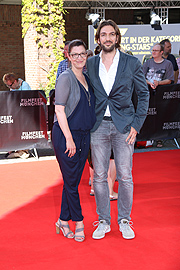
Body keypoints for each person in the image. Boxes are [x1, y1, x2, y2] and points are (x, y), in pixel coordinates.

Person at [87, 19, 149, 240]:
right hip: (98, 126)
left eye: (111, 34)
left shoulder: (131, 63)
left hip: (124, 126)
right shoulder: (91, 63)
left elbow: (143, 94)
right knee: (100, 177)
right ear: (98, 39)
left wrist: (136, 124)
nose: (107, 38)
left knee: (125, 175)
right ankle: (103, 220)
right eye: (103, 35)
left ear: (117, 37)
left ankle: (124, 219)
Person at [52, 39, 96, 242]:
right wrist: (69, 139)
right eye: (75, 54)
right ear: (68, 56)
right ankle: (78, 222)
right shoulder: (66, 77)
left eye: (82, 54)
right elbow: (59, 109)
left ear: (86, 56)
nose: (79, 58)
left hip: (83, 135)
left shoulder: (86, 77)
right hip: (66, 136)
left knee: (72, 181)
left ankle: (62, 219)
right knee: (72, 183)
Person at [143, 43, 174, 148]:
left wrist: (158, 83)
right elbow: (141, 78)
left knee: (160, 116)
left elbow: (170, 79)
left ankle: (159, 138)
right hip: (148, 93)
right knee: (147, 115)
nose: (153, 52)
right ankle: (147, 138)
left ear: (161, 52)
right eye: (152, 50)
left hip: (161, 94)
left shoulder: (168, 64)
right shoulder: (147, 63)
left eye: (156, 51)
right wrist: (149, 83)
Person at [3, 73, 31, 159]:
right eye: (8, 86)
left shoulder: (25, 86)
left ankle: (19, 150)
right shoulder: (13, 88)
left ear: (15, 82)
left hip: (26, 114)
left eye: (10, 85)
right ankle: (13, 148)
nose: (9, 88)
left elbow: (25, 100)